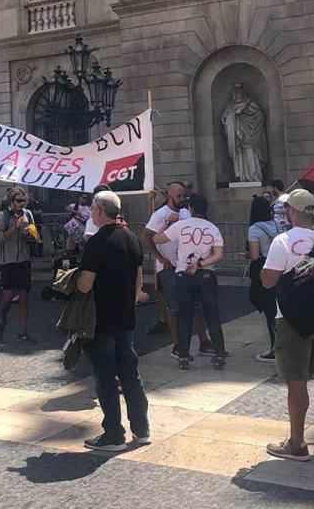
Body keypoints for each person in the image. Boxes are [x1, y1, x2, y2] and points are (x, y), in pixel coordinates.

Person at [260, 189, 314, 461]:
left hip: (291, 320)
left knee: (297, 383)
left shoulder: (282, 241)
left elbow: (268, 281)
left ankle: (297, 443)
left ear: (291, 212)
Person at [76, 190, 149, 451]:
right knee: (131, 374)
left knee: (105, 377)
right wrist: (132, 299)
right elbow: (139, 278)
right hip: (126, 316)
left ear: (98, 210)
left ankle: (113, 434)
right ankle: (142, 430)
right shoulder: (131, 238)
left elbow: (85, 285)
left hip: (102, 318)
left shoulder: (96, 242)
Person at [153, 194, 226, 368]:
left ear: (191, 208)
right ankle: (219, 353)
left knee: (185, 316)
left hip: (183, 275)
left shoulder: (181, 225)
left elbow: (156, 239)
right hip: (206, 275)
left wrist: (167, 222)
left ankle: (184, 355)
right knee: (212, 316)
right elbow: (218, 255)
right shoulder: (212, 228)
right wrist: (200, 264)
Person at [143, 182, 212, 351]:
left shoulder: (186, 212)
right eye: (178, 196)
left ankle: (204, 341)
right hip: (168, 267)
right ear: (169, 196)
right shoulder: (160, 215)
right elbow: (146, 237)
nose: (182, 199)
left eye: (184, 196)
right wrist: (160, 257)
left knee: (196, 305)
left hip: (187, 266)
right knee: (174, 307)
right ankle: (177, 345)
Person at [0, 187, 36, 345]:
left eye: (23, 201)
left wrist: (29, 234)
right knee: (8, 295)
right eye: (18, 201)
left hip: (23, 260)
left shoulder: (28, 214)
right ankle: (1, 324)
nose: (21, 204)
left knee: (24, 296)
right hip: (8, 261)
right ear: (11, 201)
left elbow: (33, 237)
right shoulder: (2, 215)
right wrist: (15, 228)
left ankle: (23, 332)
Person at [248, 195, 281, 362]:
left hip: (264, 269)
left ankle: (275, 348)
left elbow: (255, 255)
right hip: (279, 267)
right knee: (279, 308)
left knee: (269, 311)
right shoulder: (276, 223)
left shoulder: (254, 228)